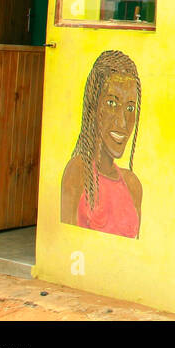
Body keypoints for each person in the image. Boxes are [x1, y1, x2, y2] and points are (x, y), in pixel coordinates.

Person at [60, 50, 144, 238]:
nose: (123, 122)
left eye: (130, 108)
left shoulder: (133, 185)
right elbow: (68, 242)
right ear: (93, 105)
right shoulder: (78, 171)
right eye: (112, 103)